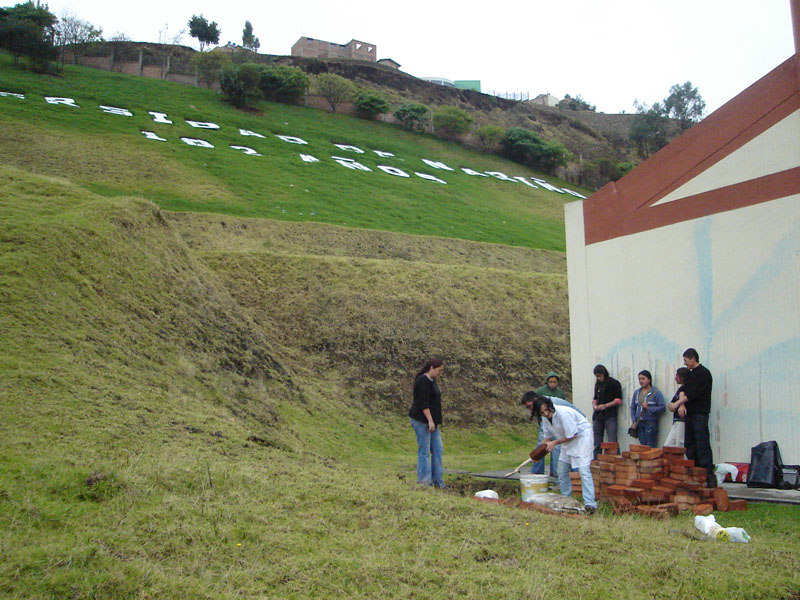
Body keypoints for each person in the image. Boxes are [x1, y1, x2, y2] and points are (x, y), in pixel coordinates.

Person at [532, 395, 597, 513]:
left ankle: (590, 503)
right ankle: (566, 500)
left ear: (550, 406)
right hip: (566, 441)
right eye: (542, 412)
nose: (546, 414)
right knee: (561, 471)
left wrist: (555, 443)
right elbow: (546, 438)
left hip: (581, 438)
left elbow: (573, 434)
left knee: (584, 471)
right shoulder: (545, 419)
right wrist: (538, 454)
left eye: (547, 410)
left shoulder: (563, 414)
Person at [673, 348, 715, 488]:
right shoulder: (690, 375)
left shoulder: (704, 374)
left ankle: (708, 475)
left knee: (702, 443)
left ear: (692, 358)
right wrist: (682, 405)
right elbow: (684, 389)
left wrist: (679, 403)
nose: (685, 364)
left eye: (686, 360)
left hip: (700, 413)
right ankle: (695, 473)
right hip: (689, 414)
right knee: (689, 444)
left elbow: (695, 393)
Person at [522, 391, 585, 477]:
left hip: (577, 426)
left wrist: (551, 444)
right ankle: (537, 475)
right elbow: (544, 435)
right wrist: (537, 455)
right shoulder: (540, 408)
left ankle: (562, 479)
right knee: (545, 445)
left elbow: (562, 434)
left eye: (529, 406)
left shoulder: (548, 405)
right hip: (563, 426)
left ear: (535, 400)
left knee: (558, 450)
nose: (530, 409)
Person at [409, 357, 446, 488]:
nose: (440, 373)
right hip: (421, 420)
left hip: (433, 422)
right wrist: (430, 420)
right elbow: (423, 403)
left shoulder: (432, 381)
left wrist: (434, 421)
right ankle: (424, 481)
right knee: (424, 450)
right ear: (431, 368)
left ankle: (437, 480)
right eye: (439, 370)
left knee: (437, 449)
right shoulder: (422, 381)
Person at [591, 364, 622, 459]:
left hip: (610, 415)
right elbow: (595, 398)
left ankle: (614, 461)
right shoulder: (598, 384)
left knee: (612, 442)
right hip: (598, 416)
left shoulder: (614, 383)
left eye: (600, 376)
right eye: (597, 376)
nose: (598, 378)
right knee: (597, 442)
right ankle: (597, 461)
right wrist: (595, 405)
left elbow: (618, 400)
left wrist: (605, 406)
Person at [629, 370, 666, 447]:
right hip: (639, 423)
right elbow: (633, 407)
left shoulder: (656, 392)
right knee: (642, 446)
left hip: (651, 422)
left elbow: (662, 408)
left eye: (643, 378)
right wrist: (634, 421)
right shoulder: (637, 392)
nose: (641, 381)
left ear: (649, 380)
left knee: (650, 445)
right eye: (639, 379)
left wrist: (649, 408)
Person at [664, 367, 689, 448]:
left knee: (680, 445)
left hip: (682, 421)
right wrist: (672, 406)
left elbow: (683, 400)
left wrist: (678, 404)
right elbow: (672, 404)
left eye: (677, 375)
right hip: (676, 421)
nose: (675, 378)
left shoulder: (688, 388)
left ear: (682, 377)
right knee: (668, 446)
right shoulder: (680, 389)